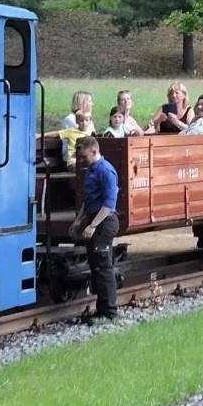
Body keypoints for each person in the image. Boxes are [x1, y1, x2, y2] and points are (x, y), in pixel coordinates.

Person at [72, 136, 120, 321]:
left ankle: (109, 312)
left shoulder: (106, 170)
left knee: (103, 267)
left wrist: (93, 226)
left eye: (84, 156)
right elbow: (89, 199)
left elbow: (109, 203)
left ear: (94, 151)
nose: (81, 160)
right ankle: (101, 310)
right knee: (96, 267)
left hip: (104, 222)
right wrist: (79, 221)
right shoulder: (91, 170)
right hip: (95, 220)